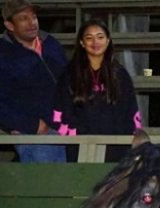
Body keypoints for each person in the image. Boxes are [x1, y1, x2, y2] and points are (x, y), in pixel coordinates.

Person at [53, 19, 141, 162]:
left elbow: (131, 113)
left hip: (116, 148)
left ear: (108, 41)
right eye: (89, 38)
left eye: (100, 37)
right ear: (82, 43)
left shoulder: (120, 74)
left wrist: (127, 141)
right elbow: (59, 114)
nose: (95, 42)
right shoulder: (69, 74)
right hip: (80, 148)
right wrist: (77, 136)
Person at [0, 0, 67, 162]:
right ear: (9, 25)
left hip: (64, 126)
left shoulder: (50, 43)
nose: (32, 23)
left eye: (34, 17)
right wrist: (30, 124)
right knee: (48, 182)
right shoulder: (3, 54)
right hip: (36, 133)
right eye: (23, 18)